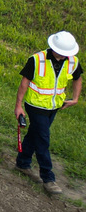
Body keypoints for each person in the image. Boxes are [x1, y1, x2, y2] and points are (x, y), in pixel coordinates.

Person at [15, 31, 81, 195]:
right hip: (35, 106)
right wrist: (18, 106)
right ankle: (48, 178)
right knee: (43, 139)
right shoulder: (37, 59)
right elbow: (24, 83)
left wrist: (76, 98)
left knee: (34, 134)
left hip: (54, 106)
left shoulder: (73, 61)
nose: (66, 55)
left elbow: (78, 77)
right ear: (53, 48)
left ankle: (22, 163)